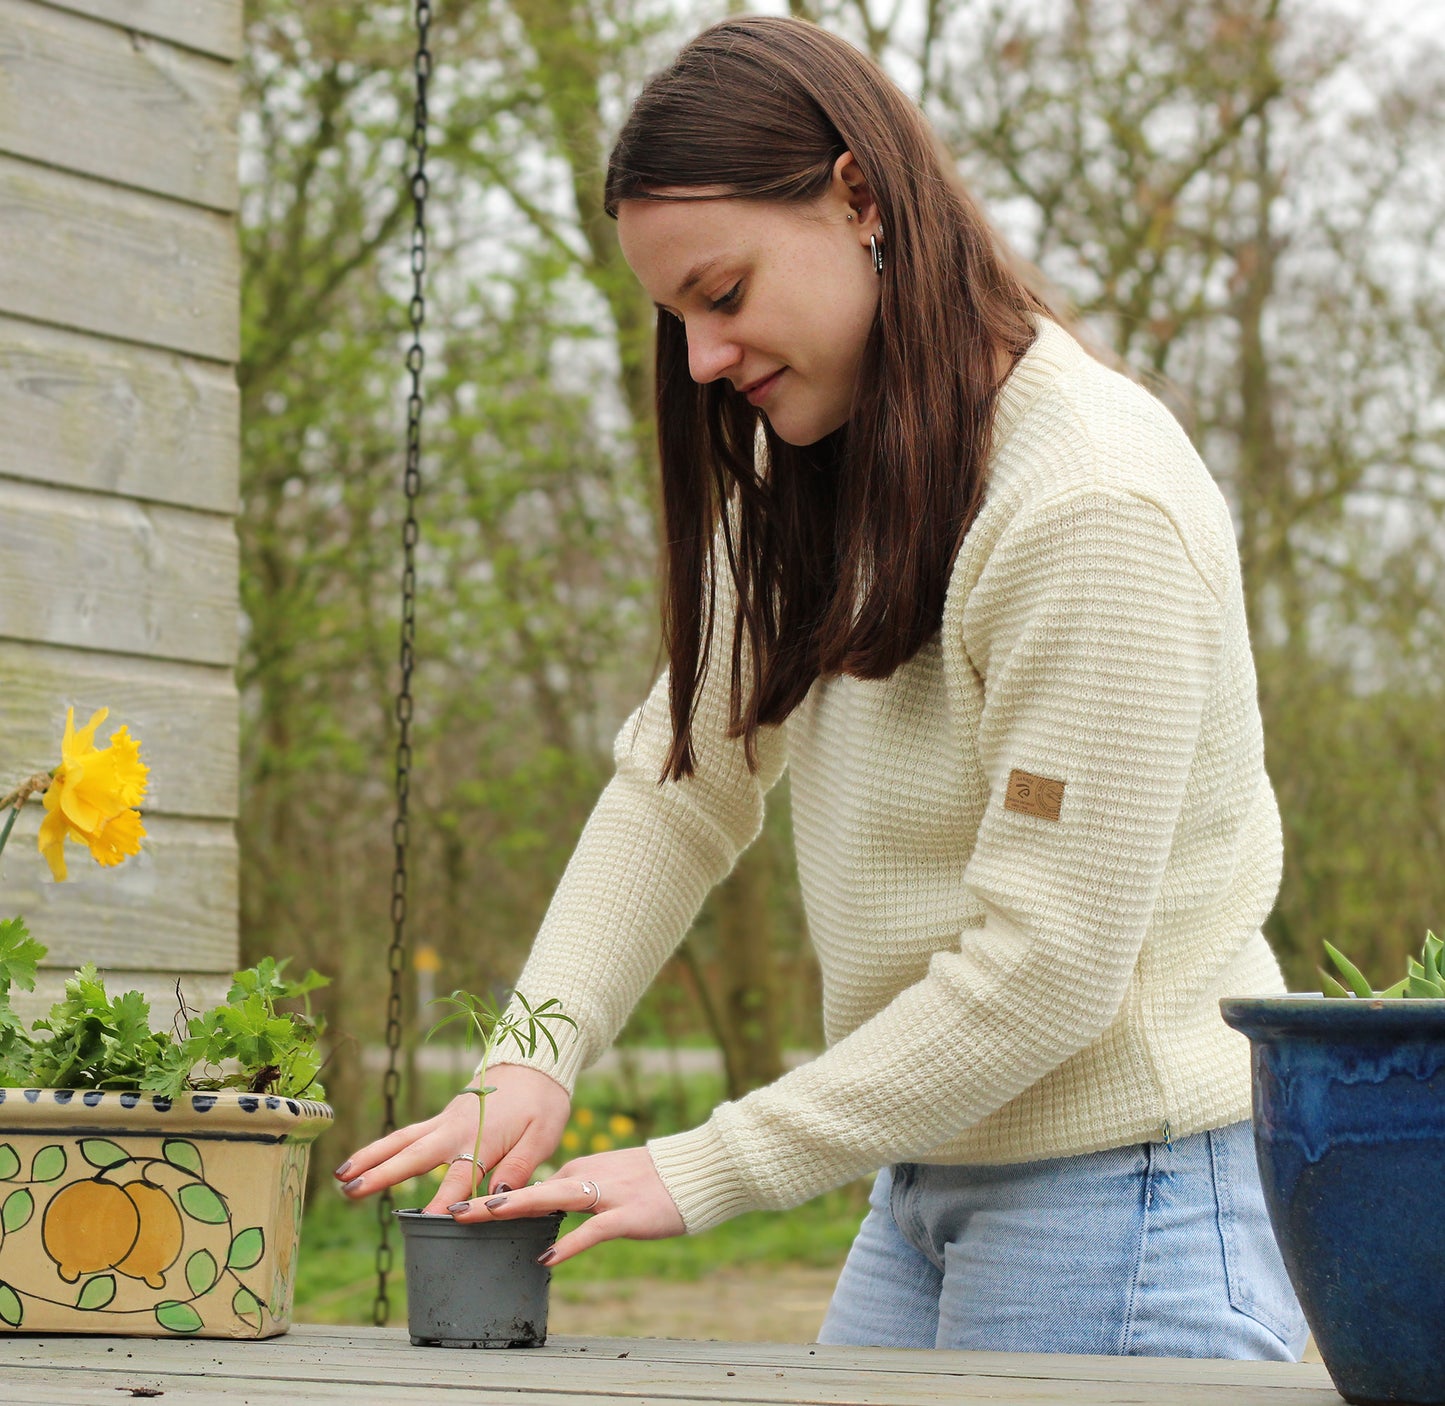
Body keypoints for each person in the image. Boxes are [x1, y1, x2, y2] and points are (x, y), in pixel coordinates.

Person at [337, 15, 1308, 1359]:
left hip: (1120, 1190)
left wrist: (710, 1161)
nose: (699, 362)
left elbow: (1049, 968)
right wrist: (529, 1056)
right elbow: (681, 782)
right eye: (673, 316)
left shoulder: (1085, 503)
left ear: (856, 197)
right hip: (919, 1175)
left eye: (721, 296)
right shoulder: (819, 472)